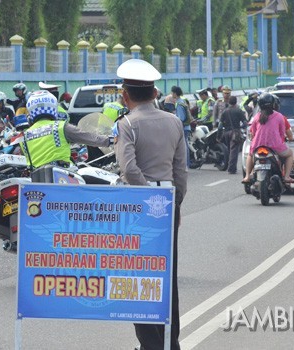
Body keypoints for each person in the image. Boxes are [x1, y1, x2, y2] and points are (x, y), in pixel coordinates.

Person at [113, 59, 187, 350]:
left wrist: (147, 201)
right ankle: (172, 342)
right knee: (167, 274)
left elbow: (129, 170)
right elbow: (181, 171)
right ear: (156, 93)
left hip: (138, 206)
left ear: (125, 96)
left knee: (139, 274)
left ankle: (150, 344)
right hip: (167, 203)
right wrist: (173, 204)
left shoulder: (127, 124)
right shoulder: (175, 122)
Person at [19, 90, 112, 168]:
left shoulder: (24, 136)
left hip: (36, 180)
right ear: (53, 108)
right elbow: (90, 137)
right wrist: (110, 140)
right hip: (63, 175)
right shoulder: (60, 127)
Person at [241, 93, 294, 184]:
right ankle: (286, 177)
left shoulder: (256, 117)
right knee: (289, 154)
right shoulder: (279, 116)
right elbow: (282, 133)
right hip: (275, 146)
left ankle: (247, 176)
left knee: (250, 155)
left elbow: (253, 132)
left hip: (257, 145)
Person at [218, 96, 247, 175]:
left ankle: (230, 166)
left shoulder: (224, 111)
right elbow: (245, 123)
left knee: (229, 151)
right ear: (236, 102)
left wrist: (218, 136)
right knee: (234, 151)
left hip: (226, 133)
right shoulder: (239, 111)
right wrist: (241, 128)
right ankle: (231, 169)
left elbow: (220, 126)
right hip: (235, 133)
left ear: (229, 102)